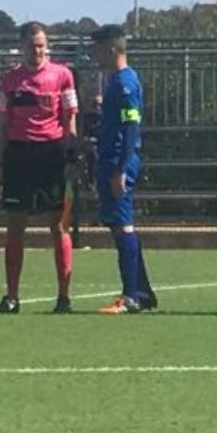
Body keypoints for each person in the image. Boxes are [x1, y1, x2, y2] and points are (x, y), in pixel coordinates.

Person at [0, 21, 80, 314]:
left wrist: (70, 157)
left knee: (58, 226)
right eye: (32, 45)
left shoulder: (63, 76)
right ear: (21, 46)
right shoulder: (9, 80)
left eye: (41, 44)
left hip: (51, 155)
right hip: (19, 155)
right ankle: (12, 296)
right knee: (15, 227)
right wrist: (0, 162)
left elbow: (70, 119)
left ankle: (64, 298)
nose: (37, 50)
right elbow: (2, 123)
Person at [90, 25, 156, 314]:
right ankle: (142, 291)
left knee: (123, 225)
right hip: (111, 159)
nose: (93, 54)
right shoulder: (116, 82)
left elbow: (131, 126)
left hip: (119, 161)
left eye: (97, 48)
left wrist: (120, 170)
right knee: (119, 225)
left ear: (111, 49)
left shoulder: (124, 83)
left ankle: (131, 296)